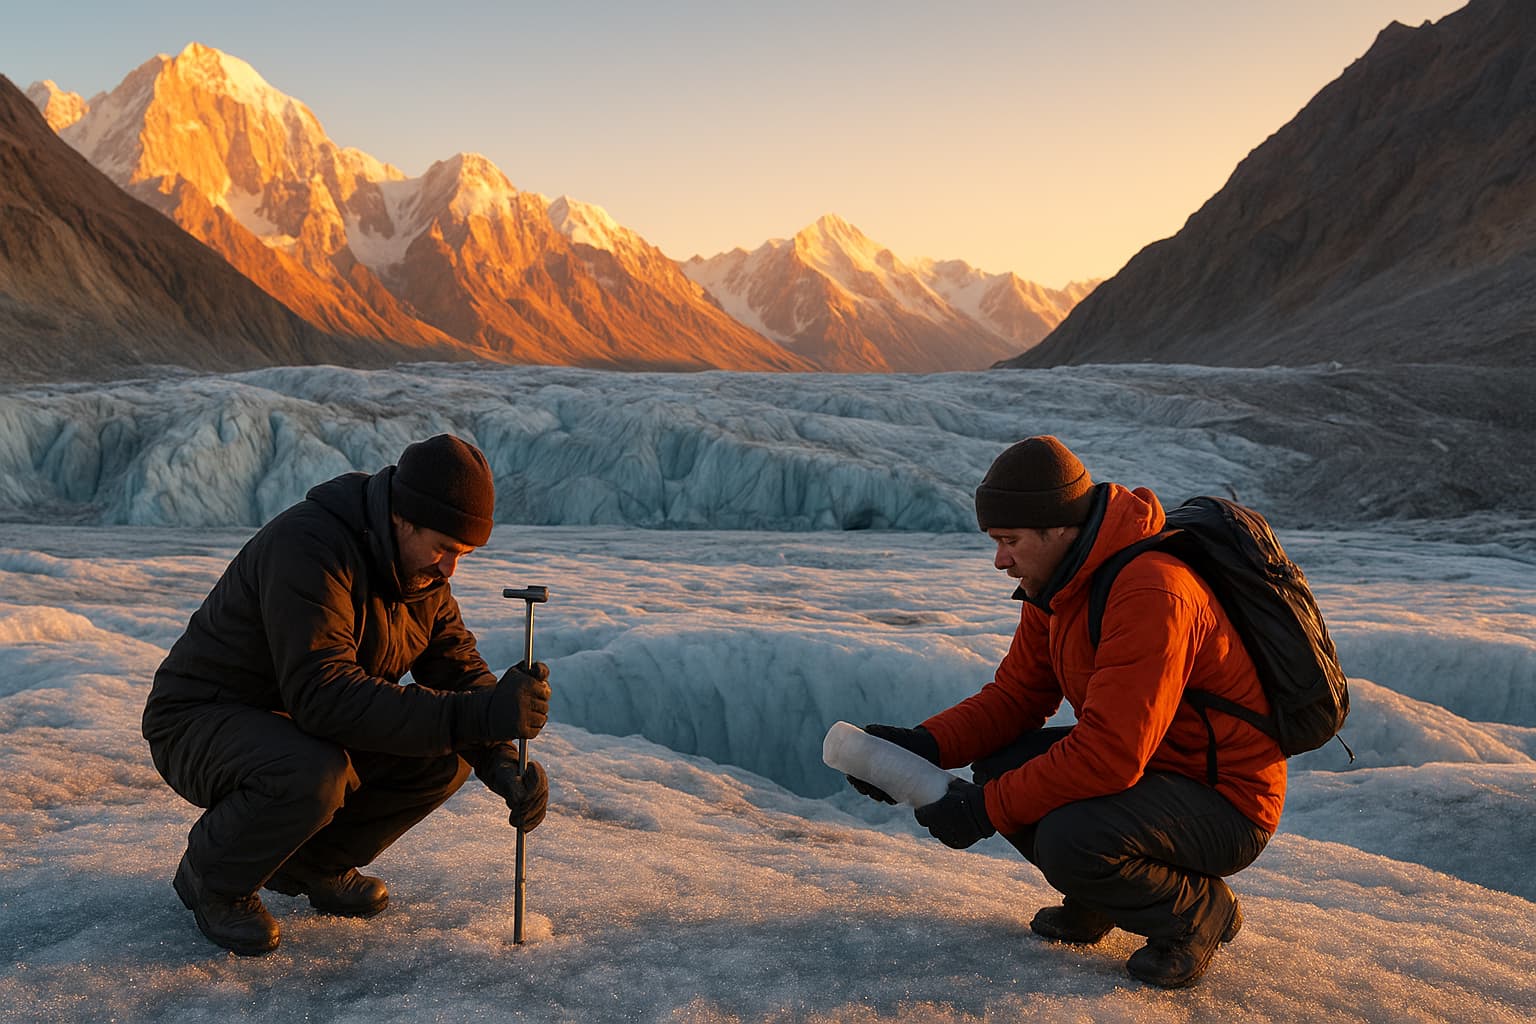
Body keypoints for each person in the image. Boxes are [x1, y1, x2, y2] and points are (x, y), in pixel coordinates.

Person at [846, 435, 1284, 988]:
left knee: (1066, 836)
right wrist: (921, 746)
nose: (999, 559)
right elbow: (1016, 699)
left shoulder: (1152, 591)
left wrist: (984, 812)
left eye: (1010, 540)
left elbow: (1110, 754)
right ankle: (1101, 898)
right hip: (1159, 772)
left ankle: (1194, 911)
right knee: (1002, 766)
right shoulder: (1058, 584)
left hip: (1226, 800)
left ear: (1059, 528)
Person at [142, 434, 552, 956]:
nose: (451, 569)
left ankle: (311, 865)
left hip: (293, 727)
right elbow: (323, 694)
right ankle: (212, 877)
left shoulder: (421, 579)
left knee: (446, 755)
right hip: (199, 720)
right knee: (312, 772)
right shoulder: (310, 547)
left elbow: (457, 671)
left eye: (463, 554)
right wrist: (475, 714)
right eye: (445, 549)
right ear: (403, 517)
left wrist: (500, 760)